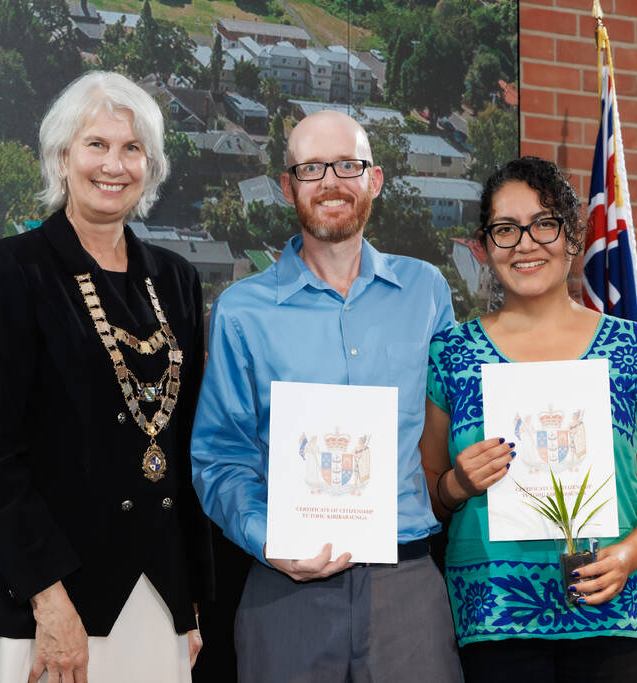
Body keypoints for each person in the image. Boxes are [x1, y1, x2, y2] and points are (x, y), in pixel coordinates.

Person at [190, 110, 462, 682]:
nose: (331, 182)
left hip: (406, 587)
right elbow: (219, 458)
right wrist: (269, 542)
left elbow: (451, 425)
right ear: (288, 186)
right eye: (311, 168)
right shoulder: (242, 311)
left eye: (348, 165)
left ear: (375, 180)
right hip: (285, 591)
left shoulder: (428, 292)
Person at [0, 71, 212, 683]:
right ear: (61, 156)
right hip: (48, 607)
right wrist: (49, 600)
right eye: (96, 144)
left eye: (132, 148)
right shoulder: (13, 270)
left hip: (157, 602)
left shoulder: (176, 279)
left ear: (150, 166)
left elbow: (182, 447)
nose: (114, 164)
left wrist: (192, 599)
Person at [420, 156, 637, 682]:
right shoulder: (451, 353)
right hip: (493, 619)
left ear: (572, 237)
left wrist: (629, 555)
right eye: (505, 229)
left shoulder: (633, 349)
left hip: (615, 618)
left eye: (543, 223)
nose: (525, 243)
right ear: (484, 246)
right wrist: (456, 483)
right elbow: (428, 489)